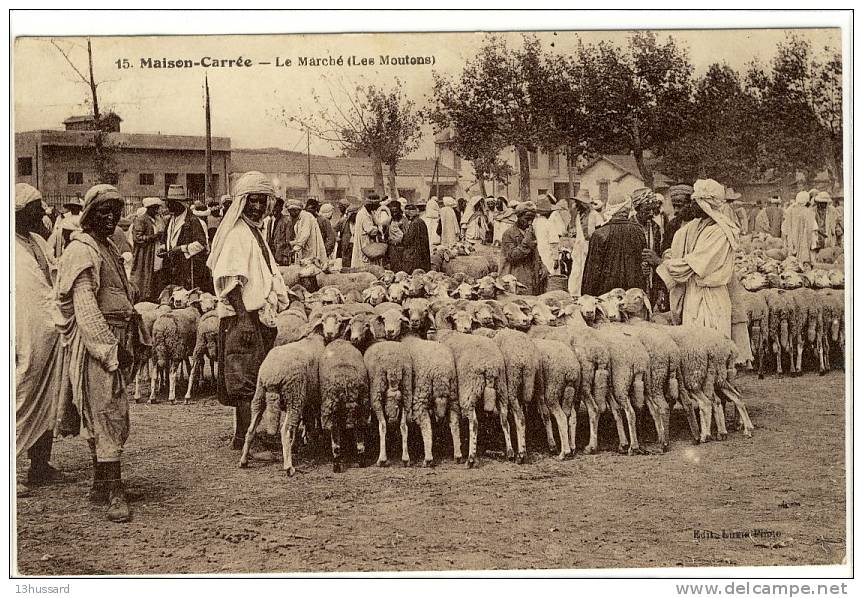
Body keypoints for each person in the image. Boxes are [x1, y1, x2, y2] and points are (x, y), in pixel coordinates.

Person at [56, 184, 148, 522]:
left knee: (105, 411)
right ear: (90, 214)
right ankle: (112, 490)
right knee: (107, 412)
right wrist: (110, 350)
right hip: (99, 344)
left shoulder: (105, 246)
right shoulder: (82, 251)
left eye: (116, 211)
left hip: (115, 337)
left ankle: (100, 483)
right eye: (104, 211)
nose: (111, 217)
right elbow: (85, 308)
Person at [207, 171, 290, 451]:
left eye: (262, 201)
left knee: (254, 375)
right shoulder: (237, 235)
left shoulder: (255, 232)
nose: (257, 207)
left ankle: (245, 434)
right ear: (242, 203)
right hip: (242, 317)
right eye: (252, 201)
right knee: (244, 377)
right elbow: (231, 282)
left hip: (257, 316)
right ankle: (247, 438)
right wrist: (243, 320)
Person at [15, 184, 67, 496]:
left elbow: (54, 274)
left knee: (48, 397)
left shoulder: (36, 240)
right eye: (37, 208)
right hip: (25, 333)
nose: (44, 212)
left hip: (47, 332)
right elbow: (28, 295)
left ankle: (40, 465)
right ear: (19, 213)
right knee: (22, 394)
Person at [654, 179, 739, 336]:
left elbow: (694, 264)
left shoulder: (719, 232)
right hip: (693, 295)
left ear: (704, 204)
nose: (691, 206)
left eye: (695, 202)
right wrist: (668, 257)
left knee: (711, 342)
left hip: (710, 298)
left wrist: (660, 263)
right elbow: (679, 248)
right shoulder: (695, 226)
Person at [581, 193, 646, 297]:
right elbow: (642, 265)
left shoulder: (600, 234)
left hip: (606, 293)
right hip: (632, 293)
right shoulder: (638, 231)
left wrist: (587, 296)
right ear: (628, 209)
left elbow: (592, 271)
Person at [160, 185, 211, 292]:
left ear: (179, 204)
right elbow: (166, 239)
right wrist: (164, 248)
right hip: (172, 266)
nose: (168, 206)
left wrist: (181, 249)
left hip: (188, 268)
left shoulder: (192, 221)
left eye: (171, 203)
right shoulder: (171, 220)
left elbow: (202, 244)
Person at [631, 188, 668, 313]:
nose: (651, 213)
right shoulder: (629, 227)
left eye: (653, 209)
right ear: (637, 208)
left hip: (651, 279)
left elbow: (659, 253)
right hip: (633, 279)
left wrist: (654, 260)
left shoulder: (656, 228)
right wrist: (637, 266)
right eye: (647, 210)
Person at [500, 202, 547, 295]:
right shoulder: (509, 234)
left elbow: (535, 251)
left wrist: (542, 265)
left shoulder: (530, 231)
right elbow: (512, 256)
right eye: (527, 219)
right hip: (515, 276)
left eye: (532, 219)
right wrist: (525, 243)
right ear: (518, 217)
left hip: (531, 275)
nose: (530, 222)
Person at [566, 188, 604, 295]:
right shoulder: (579, 216)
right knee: (576, 274)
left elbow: (600, 234)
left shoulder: (595, 216)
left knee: (587, 274)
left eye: (580, 203)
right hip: (580, 250)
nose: (578, 205)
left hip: (591, 249)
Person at [130, 197, 163, 302]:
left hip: (155, 251)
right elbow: (137, 238)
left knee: (154, 273)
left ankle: (152, 296)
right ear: (149, 209)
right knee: (143, 274)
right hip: (144, 253)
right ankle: (141, 297)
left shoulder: (156, 219)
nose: (157, 211)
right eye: (155, 209)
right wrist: (154, 236)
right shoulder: (141, 220)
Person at [781, 190, 818, 265]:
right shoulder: (809, 212)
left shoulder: (790, 211)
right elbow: (814, 230)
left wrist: (786, 243)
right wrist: (814, 244)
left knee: (793, 265)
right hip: (805, 245)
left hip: (792, 243)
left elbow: (784, 230)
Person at [533, 193, 565, 275]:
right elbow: (554, 243)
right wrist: (555, 259)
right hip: (548, 255)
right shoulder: (549, 224)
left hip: (538, 254)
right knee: (551, 276)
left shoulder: (535, 222)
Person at [351, 195, 385, 268]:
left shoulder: (370, 212)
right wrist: (378, 229)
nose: (377, 207)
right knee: (365, 264)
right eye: (376, 205)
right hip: (365, 243)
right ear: (371, 205)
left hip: (368, 243)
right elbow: (370, 230)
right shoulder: (363, 214)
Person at [400, 199, 431, 273]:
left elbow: (408, 240)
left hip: (415, 253)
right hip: (423, 252)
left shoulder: (414, 223)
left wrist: (403, 236)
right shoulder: (421, 221)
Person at [660, 184, 694, 253]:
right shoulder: (672, 225)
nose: (675, 211)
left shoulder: (700, 224)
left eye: (679, 206)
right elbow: (665, 251)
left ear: (690, 204)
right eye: (674, 206)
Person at [385, 198, 406, 272]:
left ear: (399, 210)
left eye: (396, 211)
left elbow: (406, 235)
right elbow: (387, 232)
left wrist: (397, 240)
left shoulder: (403, 220)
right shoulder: (390, 220)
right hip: (392, 247)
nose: (394, 213)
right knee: (393, 265)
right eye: (392, 212)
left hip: (401, 247)